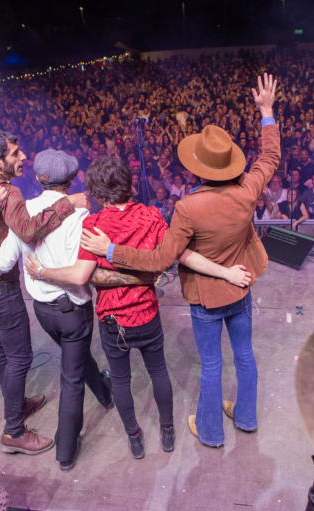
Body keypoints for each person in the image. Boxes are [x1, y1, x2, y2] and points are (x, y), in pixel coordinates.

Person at [80, 74, 280, 448]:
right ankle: (247, 418)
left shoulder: (187, 207)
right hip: (241, 285)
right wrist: (266, 112)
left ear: (197, 169)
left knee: (213, 365)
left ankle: (210, 432)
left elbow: (160, 260)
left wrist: (110, 251)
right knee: (245, 355)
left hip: (207, 298)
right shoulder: (249, 189)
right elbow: (270, 156)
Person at [23, 156, 251, 457]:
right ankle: (167, 431)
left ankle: (135, 438)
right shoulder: (152, 216)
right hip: (147, 314)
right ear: (129, 186)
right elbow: (179, 256)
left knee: (120, 381)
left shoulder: (93, 224)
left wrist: (41, 272)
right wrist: (225, 272)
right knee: (159, 373)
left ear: (99, 193)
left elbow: (80, 275)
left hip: (113, 320)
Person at [0, 150, 148, 471]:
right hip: (73, 309)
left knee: (77, 356)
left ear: (39, 179)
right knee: (71, 377)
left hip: (43, 312)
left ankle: (104, 393)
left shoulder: (23, 214)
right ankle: (66, 450)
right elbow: (91, 267)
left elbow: (1, 262)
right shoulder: (81, 217)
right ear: (71, 181)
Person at [0, 129, 89, 455]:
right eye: (16, 153)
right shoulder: (8, 193)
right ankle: (14, 431)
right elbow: (28, 230)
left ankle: (17, 404)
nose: (23, 157)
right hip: (1, 291)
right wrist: (66, 202)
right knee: (19, 359)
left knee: (3, 354)